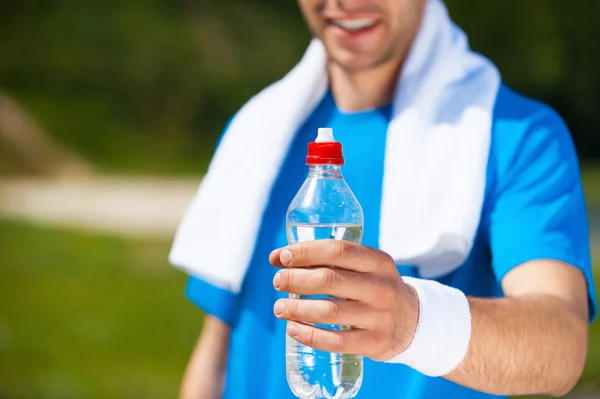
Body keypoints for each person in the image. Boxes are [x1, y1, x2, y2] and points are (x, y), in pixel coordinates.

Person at [169, 0, 597, 398]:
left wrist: (415, 322)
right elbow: (218, 346)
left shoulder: (518, 137)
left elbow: (559, 344)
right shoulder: (259, 130)